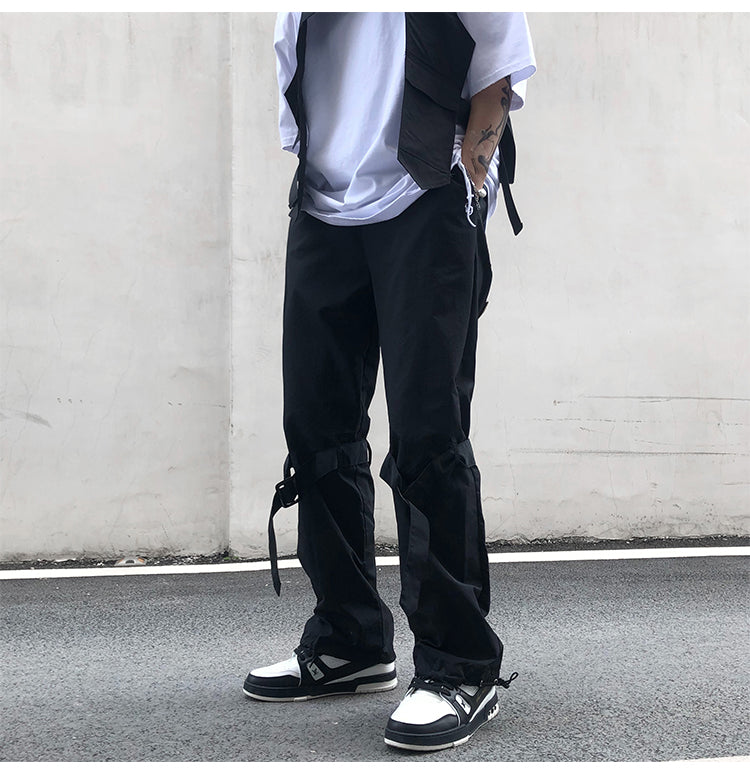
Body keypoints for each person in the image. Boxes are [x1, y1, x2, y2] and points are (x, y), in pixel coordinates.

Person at [243, 12, 536, 752]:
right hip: (323, 201)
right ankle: (350, 638)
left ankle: (457, 663)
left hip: (423, 195)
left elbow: (500, 58)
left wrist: (473, 175)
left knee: (428, 431)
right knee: (317, 427)